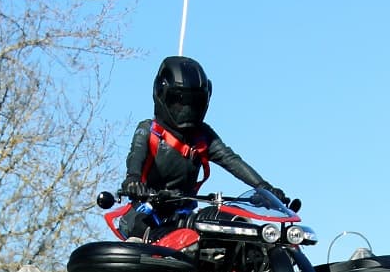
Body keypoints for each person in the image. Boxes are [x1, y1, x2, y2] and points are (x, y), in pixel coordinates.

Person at [119, 55, 291, 239]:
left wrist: (264, 188)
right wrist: (133, 181)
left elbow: (231, 160)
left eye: (194, 103)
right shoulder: (148, 131)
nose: (186, 110)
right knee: (147, 239)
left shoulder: (203, 136)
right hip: (145, 216)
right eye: (178, 101)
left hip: (183, 217)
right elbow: (135, 159)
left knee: (229, 225)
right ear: (161, 95)